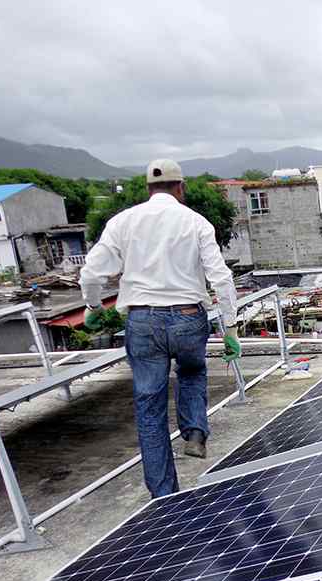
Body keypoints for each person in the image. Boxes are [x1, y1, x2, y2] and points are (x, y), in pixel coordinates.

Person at [79, 159, 241, 498]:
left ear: (147, 189)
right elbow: (221, 278)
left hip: (142, 322)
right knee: (192, 371)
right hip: (187, 316)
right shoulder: (195, 222)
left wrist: (93, 307)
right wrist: (231, 328)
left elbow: (91, 273)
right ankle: (195, 431)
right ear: (180, 188)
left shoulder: (122, 222)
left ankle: (164, 495)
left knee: (149, 407)